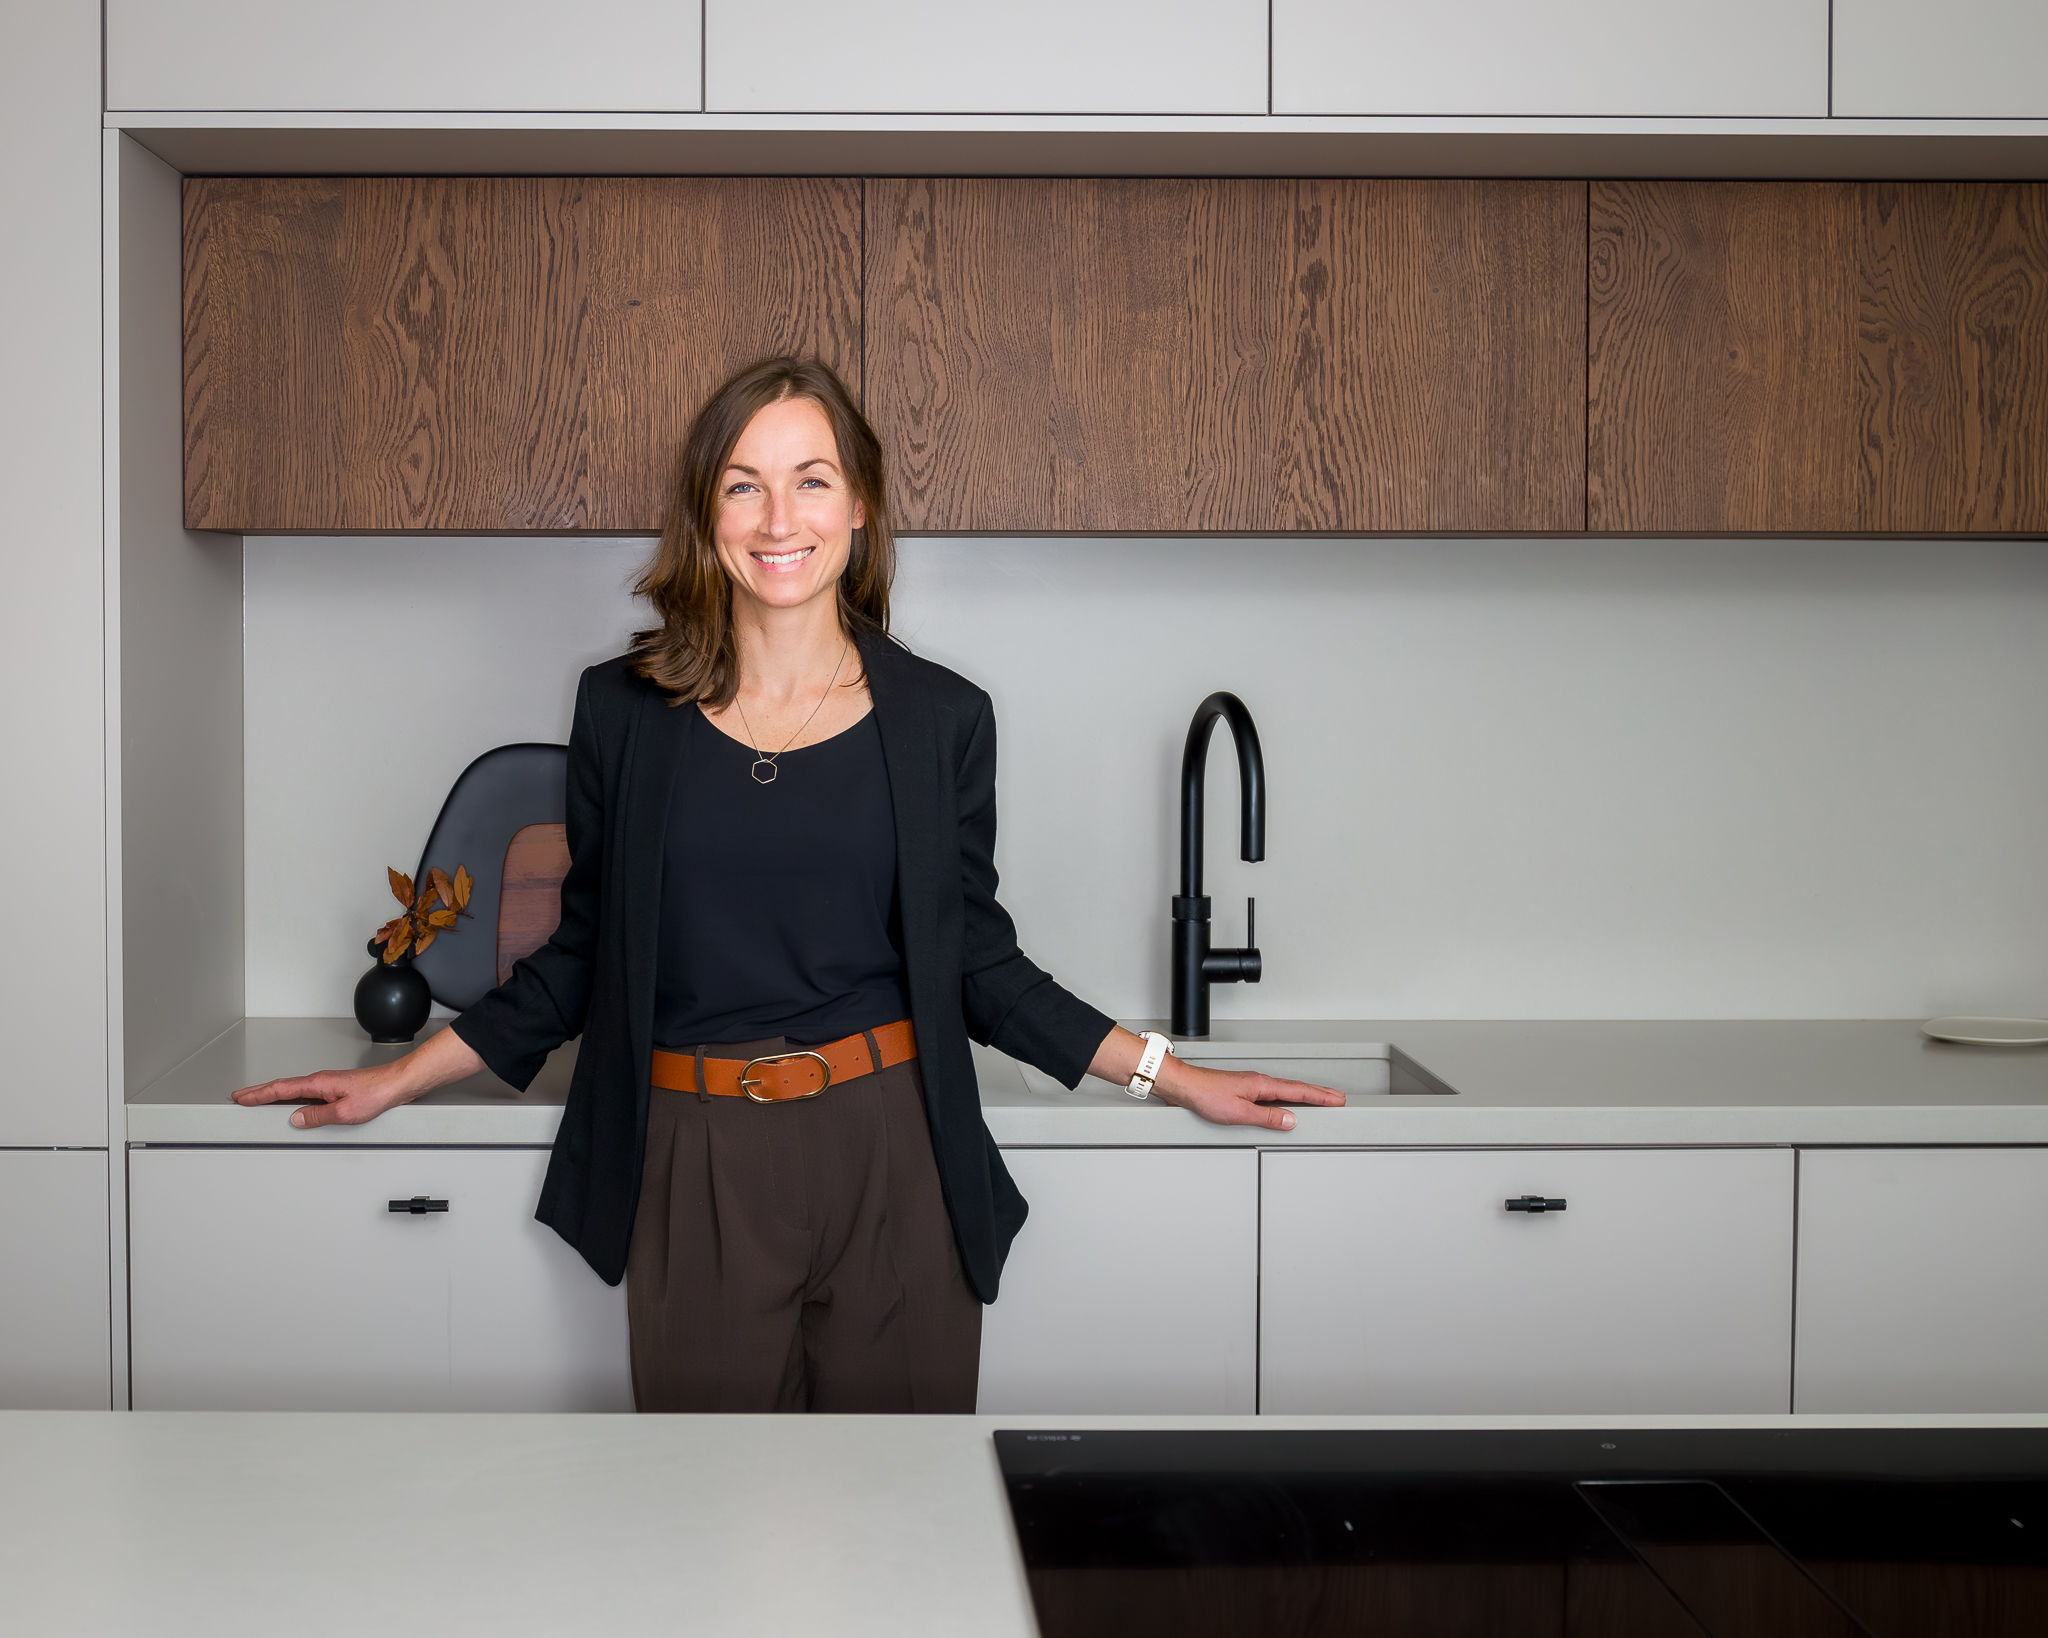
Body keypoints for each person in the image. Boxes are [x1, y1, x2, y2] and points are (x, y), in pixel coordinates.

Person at [233, 357, 1345, 1413]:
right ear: (705, 511)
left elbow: (976, 967)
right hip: (695, 1155)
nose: (778, 521)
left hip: (894, 1152)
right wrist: (395, 1081)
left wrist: (1174, 1074)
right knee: (717, 1540)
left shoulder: (939, 720)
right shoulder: (622, 713)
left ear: (856, 504)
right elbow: (579, 959)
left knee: (904, 1533)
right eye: (743, 486)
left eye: (810, 481)